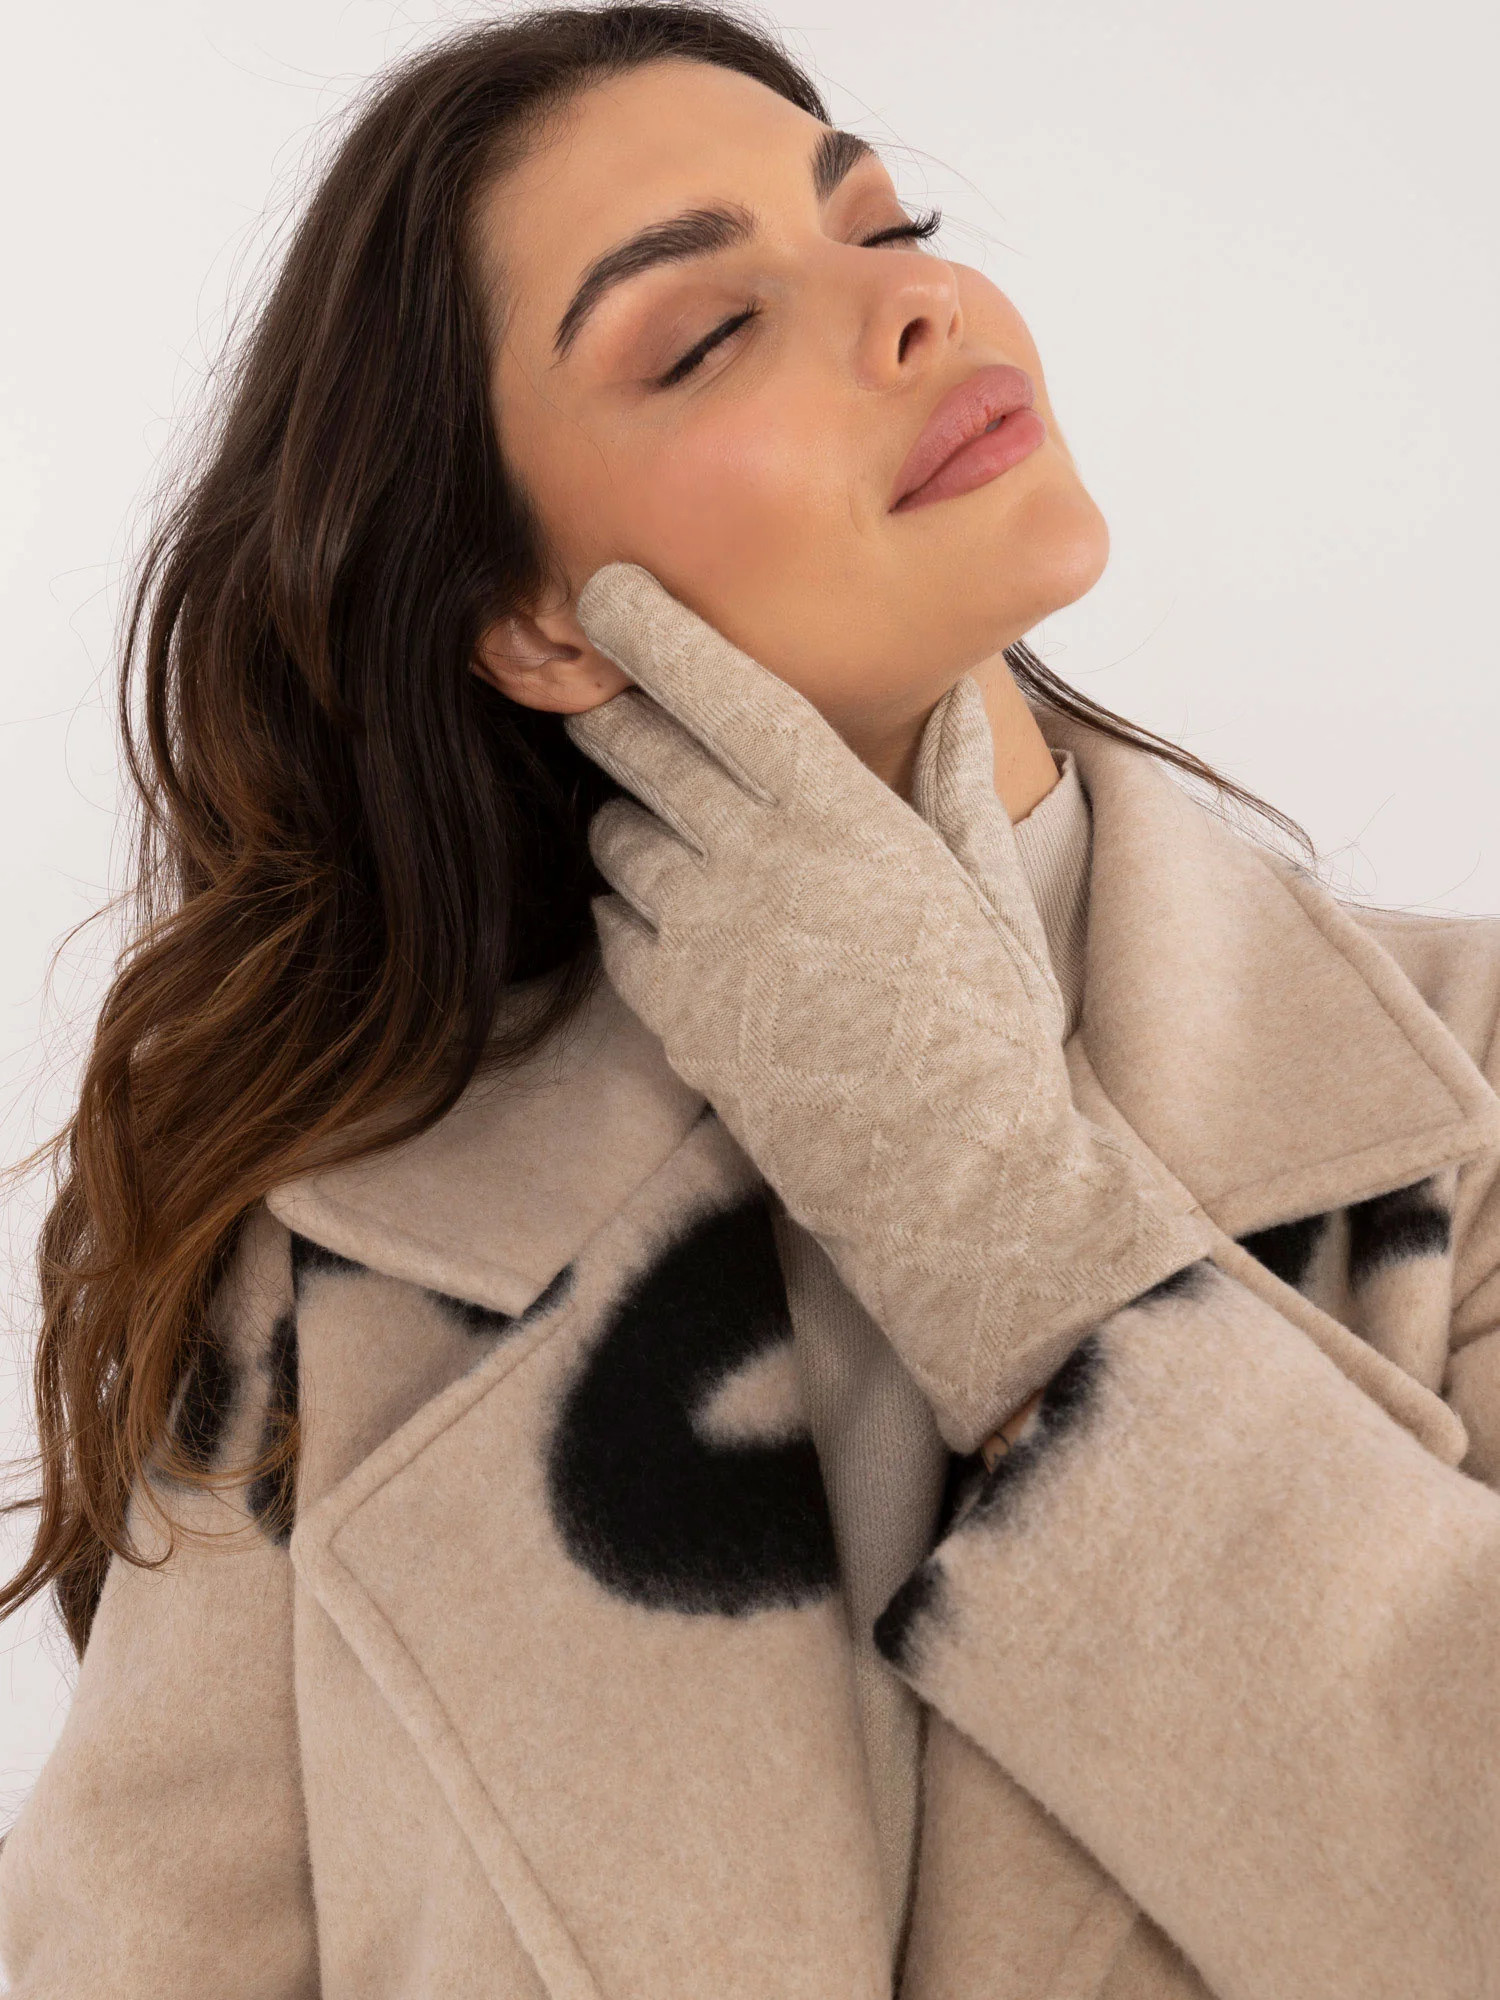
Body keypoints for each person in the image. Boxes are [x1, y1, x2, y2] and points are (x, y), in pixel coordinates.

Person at [3, 6, 1498, 1996]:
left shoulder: (1467, 1076)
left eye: (888, 229)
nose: (916, 305)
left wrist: (988, 1200)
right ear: (533, 620)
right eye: (707, 334)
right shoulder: (355, 1252)